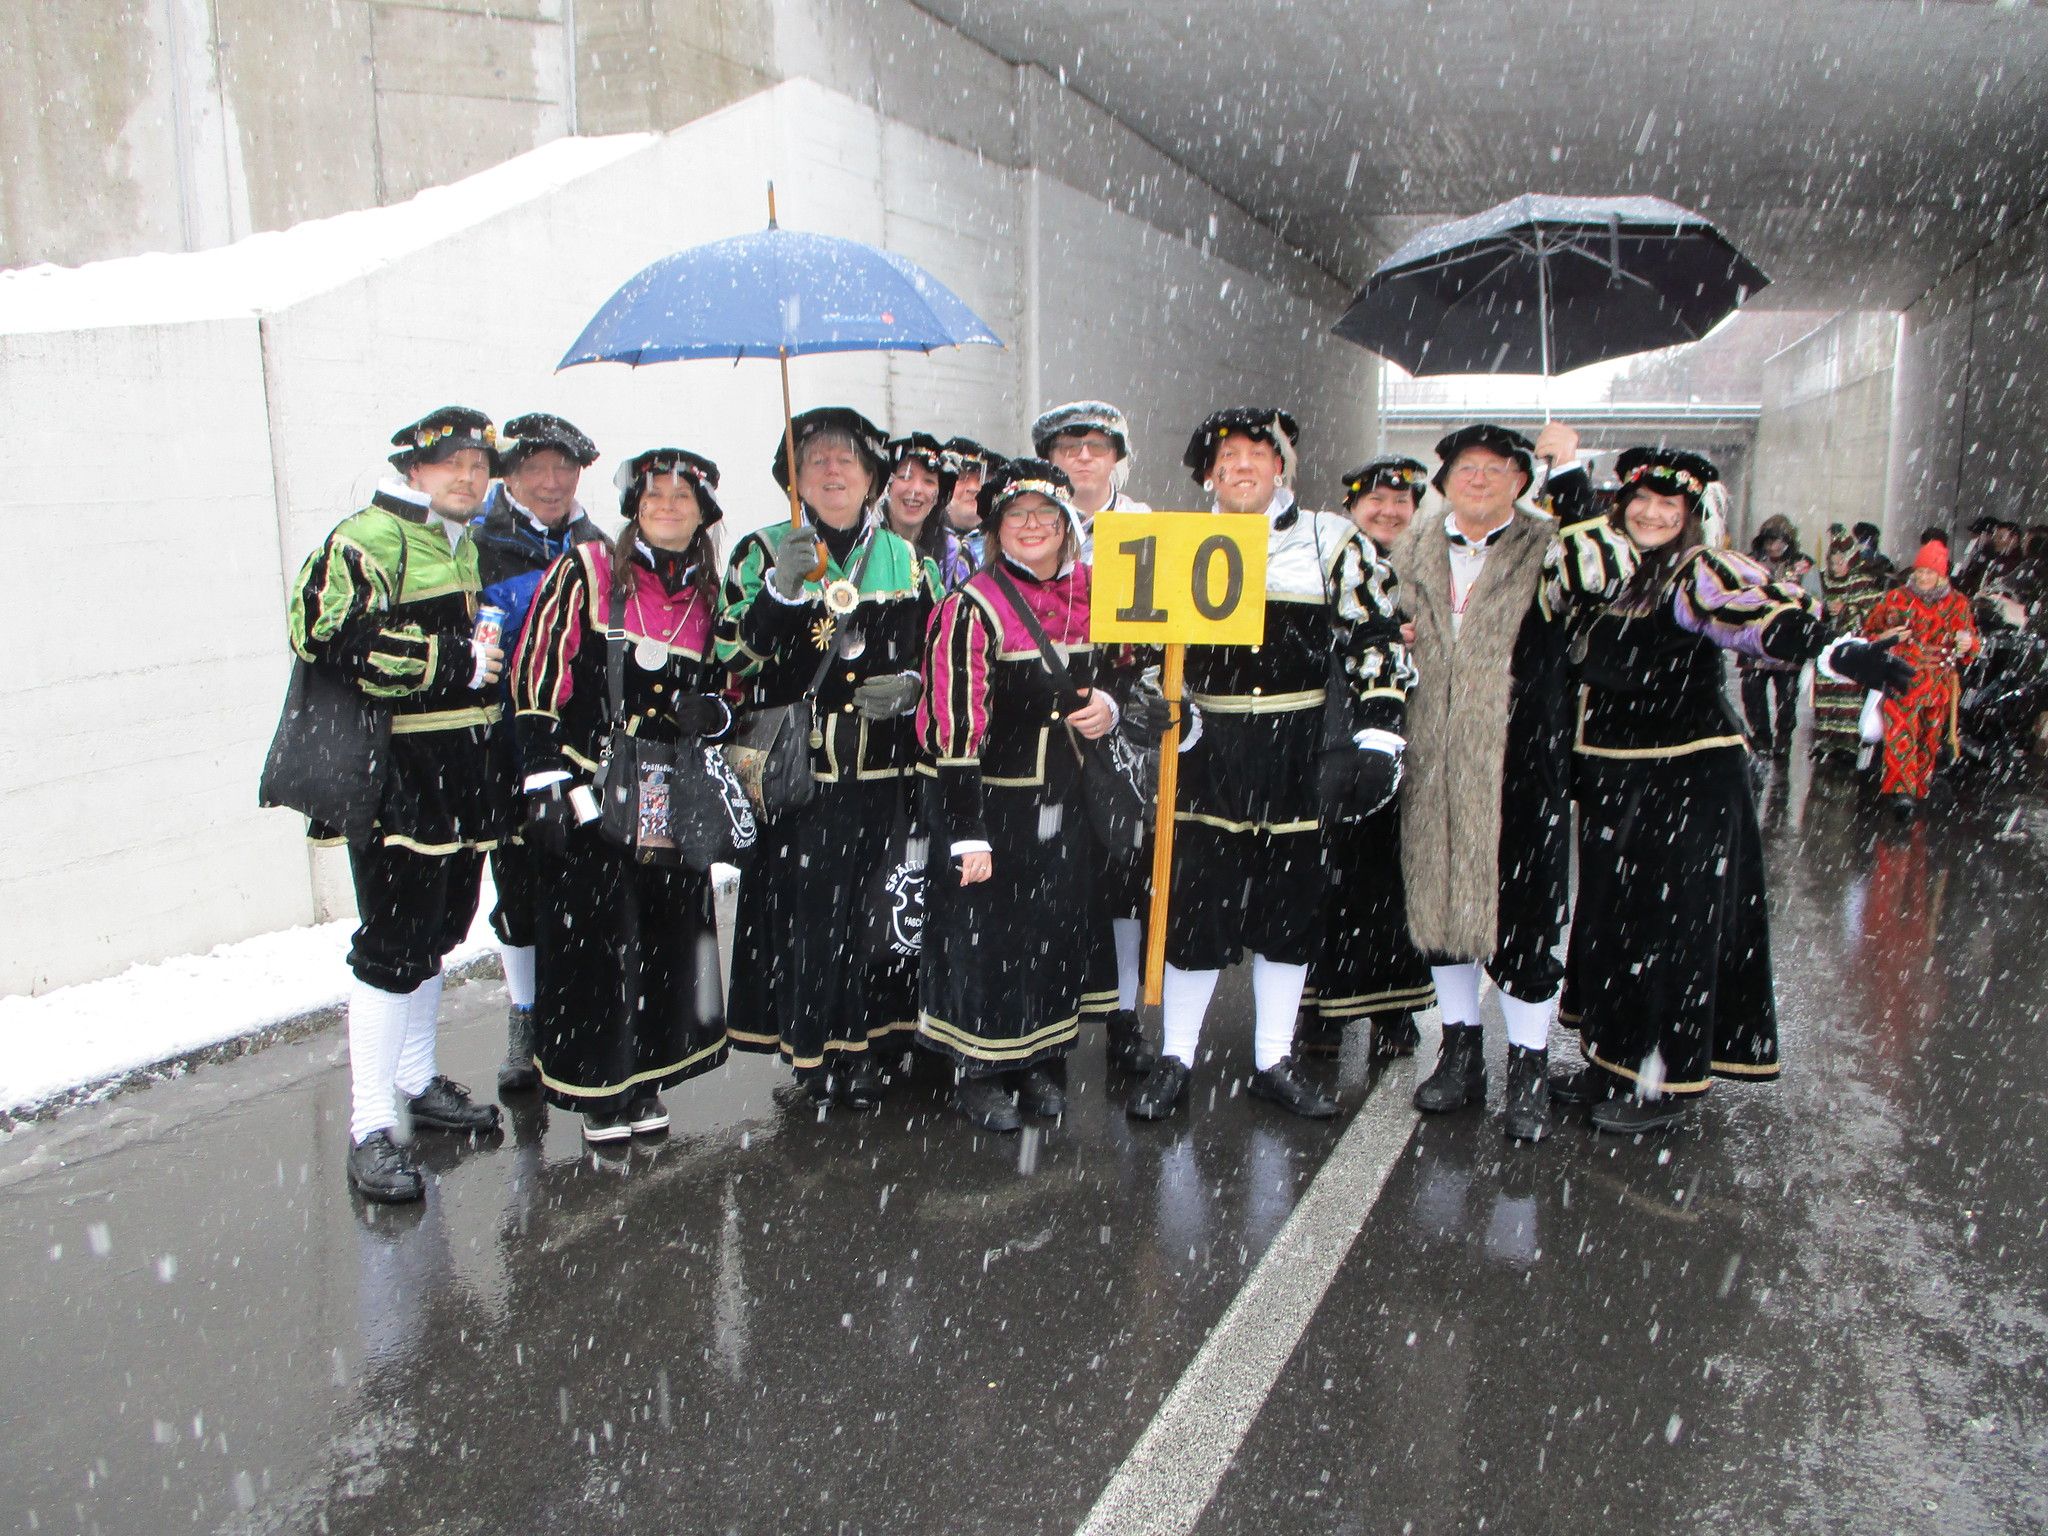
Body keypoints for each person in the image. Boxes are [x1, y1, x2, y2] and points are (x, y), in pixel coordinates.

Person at [1547, 449, 1909, 1133]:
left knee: (1671, 932)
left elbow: (1752, 616)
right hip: (1613, 784)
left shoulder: (1695, 571)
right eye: (1641, 501)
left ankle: (1665, 1080)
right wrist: (1565, 474)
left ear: (1689, 515)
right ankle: (1611, 1060)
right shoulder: (1612, 572)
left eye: (1669, 505)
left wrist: (1831, 649)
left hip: (1684, 781)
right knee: (1611, 926)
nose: (1652, 514)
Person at [1125, 409, 1414, 1121]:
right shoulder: (1173, 542)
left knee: (1292, 910)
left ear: (1281, 467)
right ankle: (1176, 1059)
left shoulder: (1329, 537)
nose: (1243, 466)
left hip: (1299, 750)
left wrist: (1380, 734)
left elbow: (1375, 636)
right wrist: (1158, 708)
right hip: (1206, 751)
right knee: (1195, 911)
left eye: (1259, 454)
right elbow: (1145, 653)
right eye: (1227, 457)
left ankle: (1272, 1061)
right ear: (1208, 475)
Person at [285, 408, 512, 1202]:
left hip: (462, 773)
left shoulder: (461, 542)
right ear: (414, 469)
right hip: (400, 777)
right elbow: (322, 632)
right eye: (452, 463)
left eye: (479, 466)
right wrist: (449, 659)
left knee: (437, 933)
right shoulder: (367, 538)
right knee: (389, 947)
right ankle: (369, 1125)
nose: (469, 477)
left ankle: (415, 1081)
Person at [509, 448, 736, 1142]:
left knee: (664, 938)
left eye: (682, 498)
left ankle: (645, 1079)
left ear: (702, 515)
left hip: (672, 793)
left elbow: (731, 686)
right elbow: (537, 669)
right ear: (634, 506)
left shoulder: (711, 597)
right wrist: (544, 773)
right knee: (595, 943)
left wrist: (715, 713)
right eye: (654, 495)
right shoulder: (587, 569)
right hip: (594, 788)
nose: (667, 506)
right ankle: (598, 1089)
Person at [717, 407, 941, 1108]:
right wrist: (779, 595)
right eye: (815, 460)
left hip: (887, 778)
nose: (832, 470)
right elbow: (732, 658)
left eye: (847, 459)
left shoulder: (910, 561)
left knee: (878, 916)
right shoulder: (761, 550)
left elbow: (943, 654)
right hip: (801, 779)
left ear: (872, 477)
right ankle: (816, 1057)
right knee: (810, 919)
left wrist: (914, 687)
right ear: (795, 479)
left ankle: (871, 1047)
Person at [1391, 421, 1589, 1143]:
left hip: (1519, 759)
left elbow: (1600, 569)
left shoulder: (1551, 549)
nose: (1479, 478)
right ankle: (1461, 1051)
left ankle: (1529, 1065)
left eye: (1497, 468)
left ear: (1521, 481)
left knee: (1527, 915)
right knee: (1439, 903)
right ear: (1444, 480)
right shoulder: (1409, 552)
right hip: (1432, 758)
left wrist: (1572, 474)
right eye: (1466, 467)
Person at [917, 460, 1128, 1130]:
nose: (1032, 526)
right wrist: (966, 829)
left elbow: (1133, 667)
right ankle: (980, 1070)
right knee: (985, 939)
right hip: (992, 805)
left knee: (1054, 933)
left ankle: (1042, 1059)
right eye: (1017, 515)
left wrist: (1110, 705)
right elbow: (955, 726)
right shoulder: (971, 606)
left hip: (1068, 804)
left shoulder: (1099, 592)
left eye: (1045, 515)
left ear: (1067, 526)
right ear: (996, 528)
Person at [468, 412, 604, 1094]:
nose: (551, 482)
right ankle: (526, 1020)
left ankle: (580, 1022)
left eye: (563, 467)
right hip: (504, 744)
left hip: (581, 747)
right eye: (535, 468)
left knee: (582, 887)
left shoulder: (597, 546)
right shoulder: (479, 545)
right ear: (510, 475)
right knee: (519, 890)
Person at [1031, 399, 1158, 1073]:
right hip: (1043, 734)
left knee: (1123, 879)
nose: (1083, 457)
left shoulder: (1145, 531)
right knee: (1048, 876)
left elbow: (1161, 641)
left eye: (1097, 446)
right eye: (1069, 447)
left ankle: (1125, 1017)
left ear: (1118, 458)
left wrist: (1117, 699)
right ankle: (1047, 1027)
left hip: (1118, 734)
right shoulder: (1029, 523)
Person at [1298, 457, 1437, 1063]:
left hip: (1412, 737)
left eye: (1401, 501)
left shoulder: (1433, 569)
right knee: (1324, 874)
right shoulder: (1324, 560)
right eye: (1374, 500)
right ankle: (1321, 1005)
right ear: (1351, 508)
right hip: (1329, 732)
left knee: (1393, 877)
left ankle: (1394, 1005)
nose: (1388, 511)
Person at [1863, 540, 1980, 816]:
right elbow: (1868, 632)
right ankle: (1901, 792)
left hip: (1938, 683)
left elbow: (1971, 643)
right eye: (1920, 571)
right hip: (1902, 678)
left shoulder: (1958, 603)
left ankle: (1918, 786)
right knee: (1900, 734)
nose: (1924, 577)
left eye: (1930, 572)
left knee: (1929, 738)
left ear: (1941, 575)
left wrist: (1968, 645)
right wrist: (1885, 636)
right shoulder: (1896, 599)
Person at [1812, 525, 1889, 763]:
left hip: (1853, 647)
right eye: (1832, 563)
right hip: (1829, 646)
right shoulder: (1824, 581)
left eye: (1841, 562)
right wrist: (1826, 611)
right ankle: (1827, 738)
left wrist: (1848, 610)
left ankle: (1848, 741)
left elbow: (1875, 615)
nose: (1836, 568)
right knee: (1826, 691)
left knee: (1849, 692)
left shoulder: (1863, 582)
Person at [1737, 514, 1807, 757]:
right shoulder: (1750, 563)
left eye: (1778, 540)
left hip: (1788, 638)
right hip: (1755, 636)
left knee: (1787, 694)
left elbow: (1813, 599)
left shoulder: (1802, 565)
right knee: (1752, 688)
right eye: (1769, 540)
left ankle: (1784, 737)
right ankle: (1762, 736)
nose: (1773, 546)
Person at [883, 432, 973, 590]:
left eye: (929, 481)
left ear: (938, 496)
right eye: (905, 476)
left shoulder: (953, 556)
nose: (916, 490)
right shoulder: (865, 544)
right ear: (887, 485)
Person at [940, 437, 1004, 572]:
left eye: (982, 479)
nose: (974, 488)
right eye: (961, 478)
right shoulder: (923, 542)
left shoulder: (1008, 548)